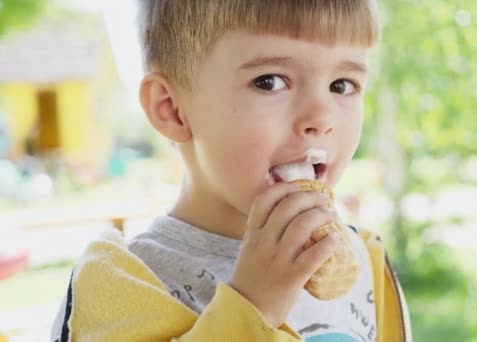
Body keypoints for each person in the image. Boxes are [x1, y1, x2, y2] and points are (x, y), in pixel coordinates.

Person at [50, 1, 412, 341]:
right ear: (172, 109)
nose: (321, 117)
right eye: (269, 81)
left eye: (342, 85)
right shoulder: (120, 285)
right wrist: (253, 306)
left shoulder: (364, 261)